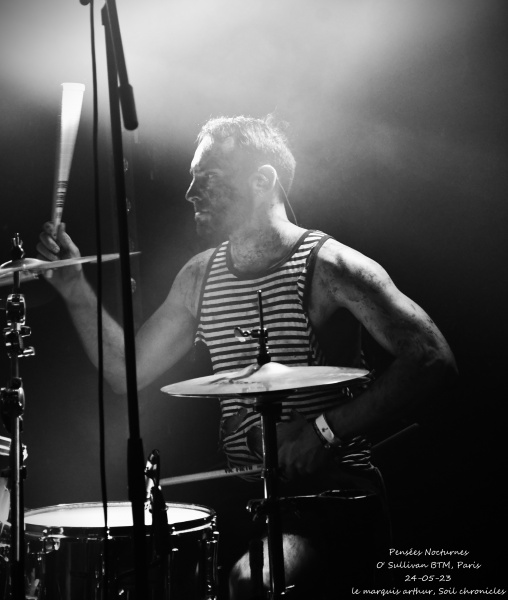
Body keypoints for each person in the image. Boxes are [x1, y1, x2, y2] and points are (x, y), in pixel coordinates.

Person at [37, 115, 456, 599]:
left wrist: (324, 431)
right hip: (247, 501)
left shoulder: (329, 266)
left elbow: (431, 358)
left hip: (331, 499)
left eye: (207, 177)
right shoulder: (199, 276)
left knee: (251, 582)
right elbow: (124, 372)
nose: (190, 193)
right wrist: (74, 290)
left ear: (262, 180)